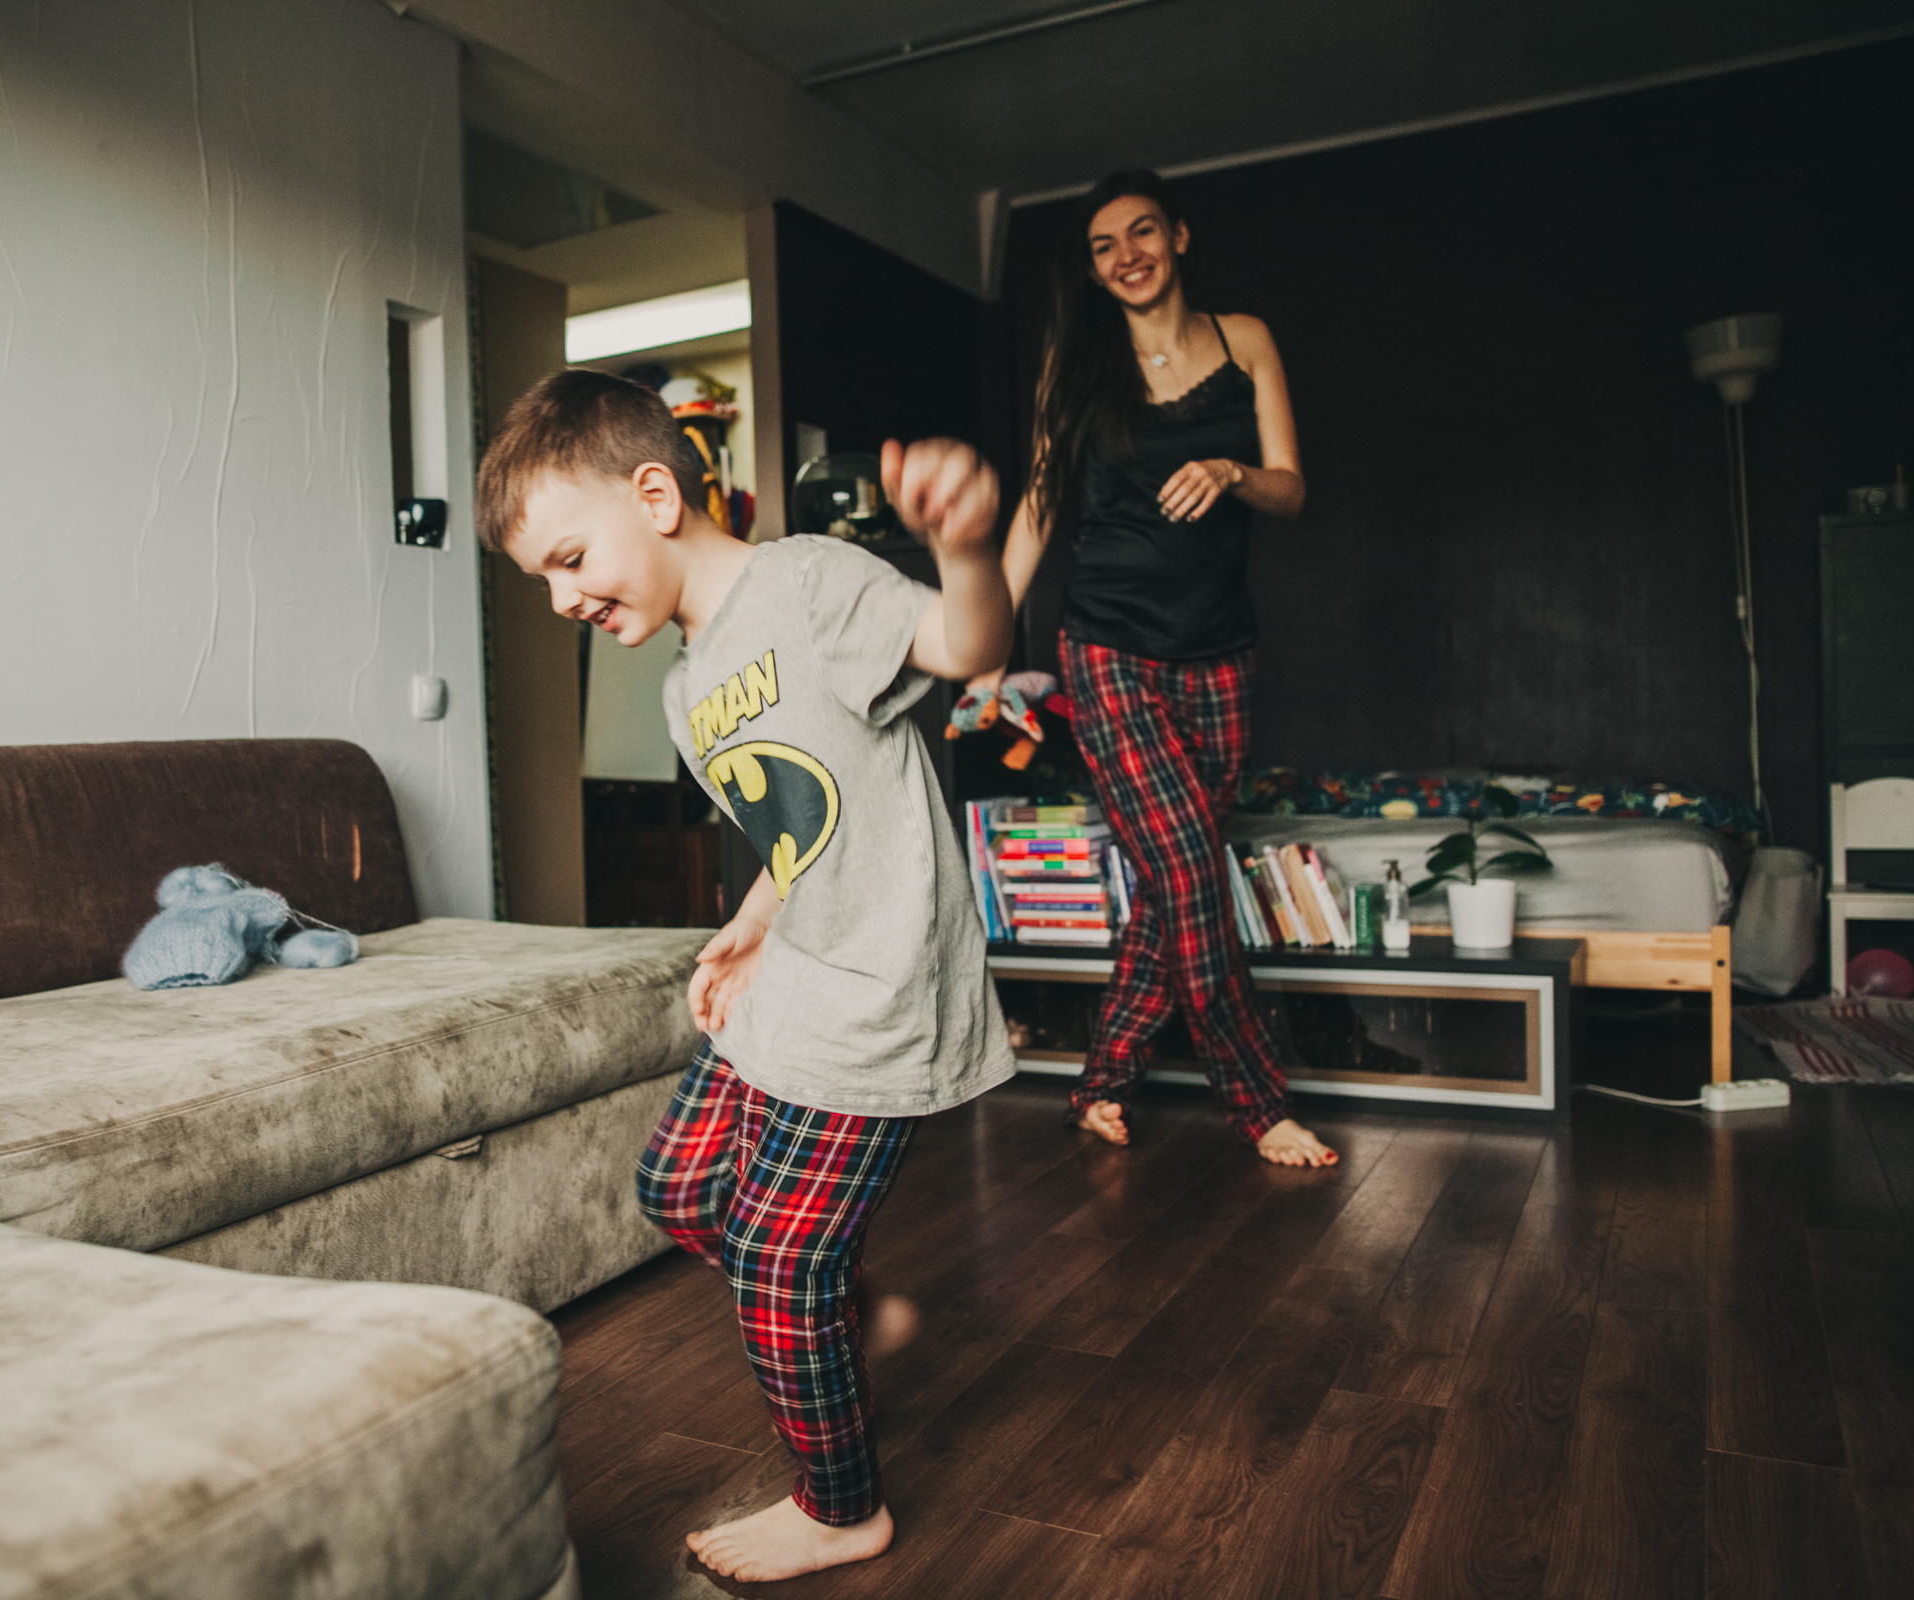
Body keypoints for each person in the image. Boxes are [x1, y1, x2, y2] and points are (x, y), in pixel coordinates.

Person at [477, 369, 1016, 1583]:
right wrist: (752, 918)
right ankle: (842, 1302)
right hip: (797, 969)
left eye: (570, 559)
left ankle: (841, 1504)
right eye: (542, 581)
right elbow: (795, 817)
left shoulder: (810, 582)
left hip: (876, 987)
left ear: (655, 493)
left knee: (777, 1259)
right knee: (676, 1188)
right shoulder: (679, 688)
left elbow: (962, 642)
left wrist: (967, 551)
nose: (563, 597)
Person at [979, 168, 1337, 1169]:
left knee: (1168, 886)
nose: (1126, 254)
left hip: (1220, 654)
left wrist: (1232, 473)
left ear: (1179, 237)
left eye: (1142, 233)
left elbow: (1293, 487)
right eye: (1104, 246)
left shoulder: (1246, 339)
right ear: (1094, 270)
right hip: (1106, 649)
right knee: (1187, 869)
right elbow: (1039, 506)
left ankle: (1100, 1085)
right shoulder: (1077, 364)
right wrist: (990, 646)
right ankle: (1260, 1103)